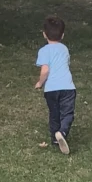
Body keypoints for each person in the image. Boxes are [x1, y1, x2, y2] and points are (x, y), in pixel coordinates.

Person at [34, 16, 76, 154]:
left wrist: (40, 82)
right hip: (68, 87)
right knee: (67, 113)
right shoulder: (64, 49)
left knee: (54, 113)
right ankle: (62, 132)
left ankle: (55, 138)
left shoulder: (44, 51)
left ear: (44, 34)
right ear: (62, 35)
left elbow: (45, 70)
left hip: (51, 89)